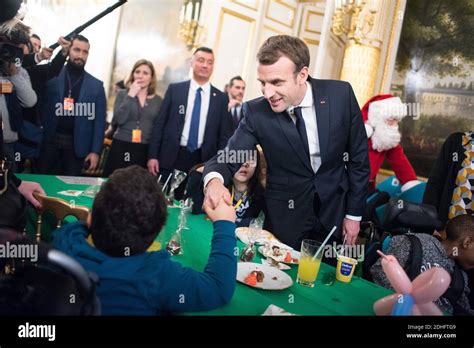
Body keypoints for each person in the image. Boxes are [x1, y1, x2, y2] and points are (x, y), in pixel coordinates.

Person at [203, 35, 369, 251]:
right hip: (284, 220)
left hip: (334, 215)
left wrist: (353, 214)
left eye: (276, 82)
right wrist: (214, 182)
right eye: (262, 83)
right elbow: (229, 157)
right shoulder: (256, 112)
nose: (267, 93)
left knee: (323, 281)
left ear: (302, 75)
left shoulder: (340, 95)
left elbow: (358, 160)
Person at [52, 165, 237, 315]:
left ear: (91, 217)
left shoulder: (64, 239)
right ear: (156, 236)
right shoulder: (155, 275)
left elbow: (78, 227)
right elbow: (219, 288)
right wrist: (225, 223)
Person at [147, 47, 234, 199]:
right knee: (162, 202)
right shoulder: (175, 90)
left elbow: (224, 136)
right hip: (171, 156)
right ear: (192, 63)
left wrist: (219, 164)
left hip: (203, 161)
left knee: (192, 205)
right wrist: (153, 155)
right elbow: (160, 124)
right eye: (201, 60)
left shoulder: (220, 98)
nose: (205, 65)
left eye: (210, 62)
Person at [370, 214, 474, 315]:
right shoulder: (415, 244)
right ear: (468, 242)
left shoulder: (461, 278)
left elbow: (464, 310)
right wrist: (406, 300)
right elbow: (379, 272)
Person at [37, 34, 106, 176]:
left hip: (77, 148)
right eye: (76, 50)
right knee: (40, 185)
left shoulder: (97, 86)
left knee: (70, 190)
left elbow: (99, 123)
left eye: (85, 52)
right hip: (48, 142)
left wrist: (95, 151)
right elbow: (38, 105)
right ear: (68, 50)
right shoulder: (51, 74)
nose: (80, 55)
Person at [423, 130, 474, 308]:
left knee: (466, 299)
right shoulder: (458, 142)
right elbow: (435, 184)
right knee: (433, 292)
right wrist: (432, 225)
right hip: (444, 235)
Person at [104, 60, 162, 176]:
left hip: (143, 149)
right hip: (121, 145)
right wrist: (131, 95)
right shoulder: (123, 94)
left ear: (151, 77)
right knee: (115, 186)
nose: (140, 75)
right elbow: (118, 120)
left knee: (137, 189)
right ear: (132, 74)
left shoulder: (158, 101)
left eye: (145, 73)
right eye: (137, 72)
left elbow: (158, 129)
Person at [361, 94, 421, 192]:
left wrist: (410, 181)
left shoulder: (386, 137)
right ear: (379, 117)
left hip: (366, 187)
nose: (394, 124)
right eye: (391, 120)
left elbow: (399, 161)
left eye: (397, 121)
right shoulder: (359, 133)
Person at [186, 154, 264, 227]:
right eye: (239, 158)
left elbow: (257, 224)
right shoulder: (218, 185)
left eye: (251, 159)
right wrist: (209, 170)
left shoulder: (260, 193)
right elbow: (193, 209)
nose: (245, 164)